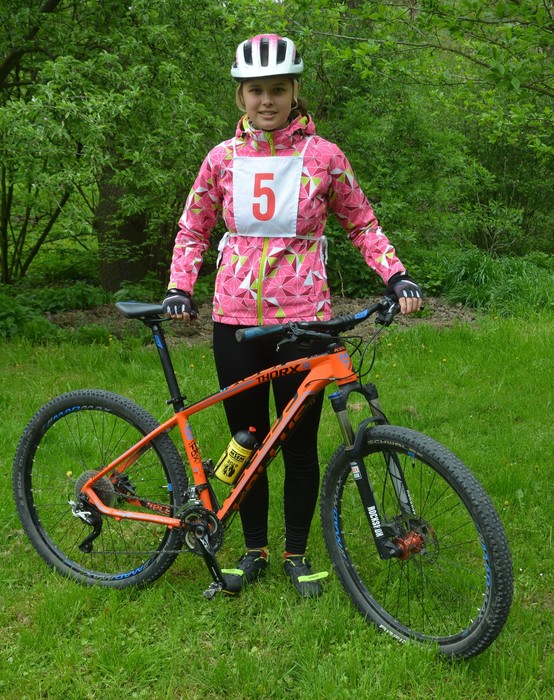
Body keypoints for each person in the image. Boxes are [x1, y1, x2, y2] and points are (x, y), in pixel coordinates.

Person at [163, 34, 423, 598]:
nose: (267, 101)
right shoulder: (221, 159)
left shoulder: (325, 156)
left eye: (278, 90)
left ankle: (296, 554)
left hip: (305, 322)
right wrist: (180, 286)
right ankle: (253, 549)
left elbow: (362, 223)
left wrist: (396, 275)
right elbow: (193, 228)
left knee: (300, 444)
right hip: (236, 320)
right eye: (256, 91)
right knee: (247, 439)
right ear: (240, 96)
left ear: (294, 91)